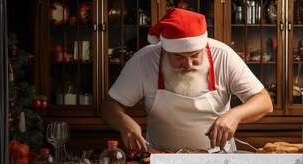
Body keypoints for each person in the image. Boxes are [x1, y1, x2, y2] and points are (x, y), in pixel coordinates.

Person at [101, 8, 273, 152]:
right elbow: (108, 106)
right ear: (165, 51)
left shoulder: (223, 55)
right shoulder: (145, 60)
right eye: (179, 57)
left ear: (204, 47)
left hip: (218, 159)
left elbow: (264, 101)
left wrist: (234, 115)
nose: (189, 64)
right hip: (162, 160)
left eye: (195, 55)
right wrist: (124, 123)